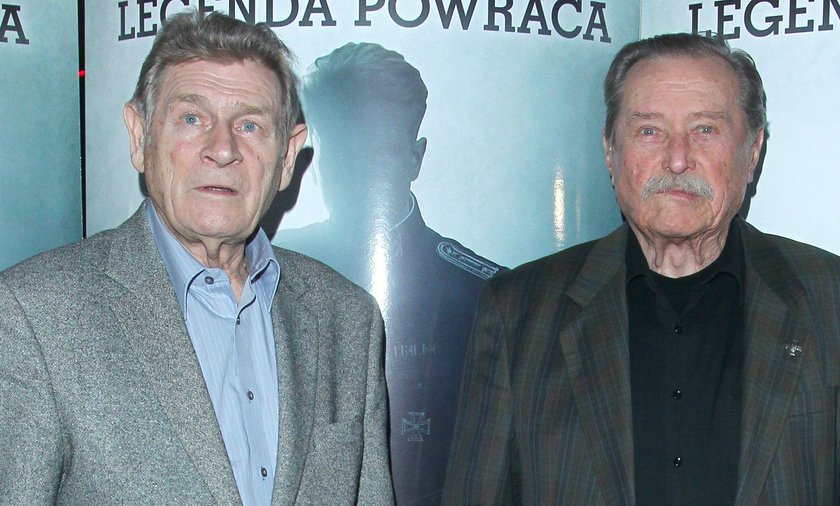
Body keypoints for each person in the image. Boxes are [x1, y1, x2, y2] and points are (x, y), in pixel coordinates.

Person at [0, 11, 393, 505]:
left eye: (249, 125)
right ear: (140, 137)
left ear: (287, 157)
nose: (222, 149)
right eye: (192, 119)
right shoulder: (34, 314)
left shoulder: (348, 319)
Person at [444, 33, 840, 505]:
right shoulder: (518, 312)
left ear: (752, 152)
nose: (677, 159)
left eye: (705, 130)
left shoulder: (830, 299)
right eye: (649, 131)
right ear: (610, 152)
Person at [277, 42, 505, 505]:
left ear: (415, 158)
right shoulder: (269, 271)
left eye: (376, 150)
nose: (359, 172)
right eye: (342, 149)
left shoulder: (482, 294)